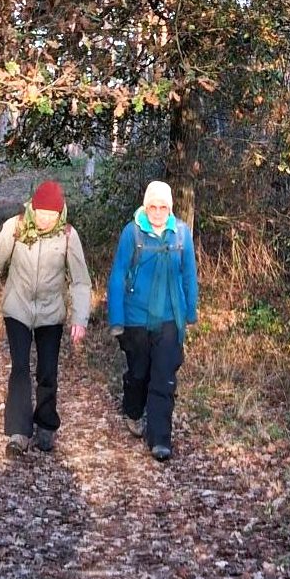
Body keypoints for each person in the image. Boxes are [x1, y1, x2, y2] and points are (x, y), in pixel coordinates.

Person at [0, 181, 91, 454]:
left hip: (51, 313)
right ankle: (18, 431)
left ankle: (46, 425)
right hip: (18, 309)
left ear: (60, 214)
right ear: (32, 209)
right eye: (41, 214)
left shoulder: (68, 236)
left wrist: (79, 318)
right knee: (20, 368)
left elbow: (81, 282)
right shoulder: (14, 228)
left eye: (52, 215)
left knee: (47, 371)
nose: (46, 220)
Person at [106, 180, 198, 462]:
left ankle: (160, 438)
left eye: (163, 207)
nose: (157, 212)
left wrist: (190, 312)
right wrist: (117, 319)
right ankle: (133, 410)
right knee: (139, 373)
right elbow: (118, 276)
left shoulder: (180, 233)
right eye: (152, 206)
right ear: (145, 207)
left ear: (169, 208)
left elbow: (188, 276)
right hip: (136, 318)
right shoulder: (132, 233)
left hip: (170, 316)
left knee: (164, 375)